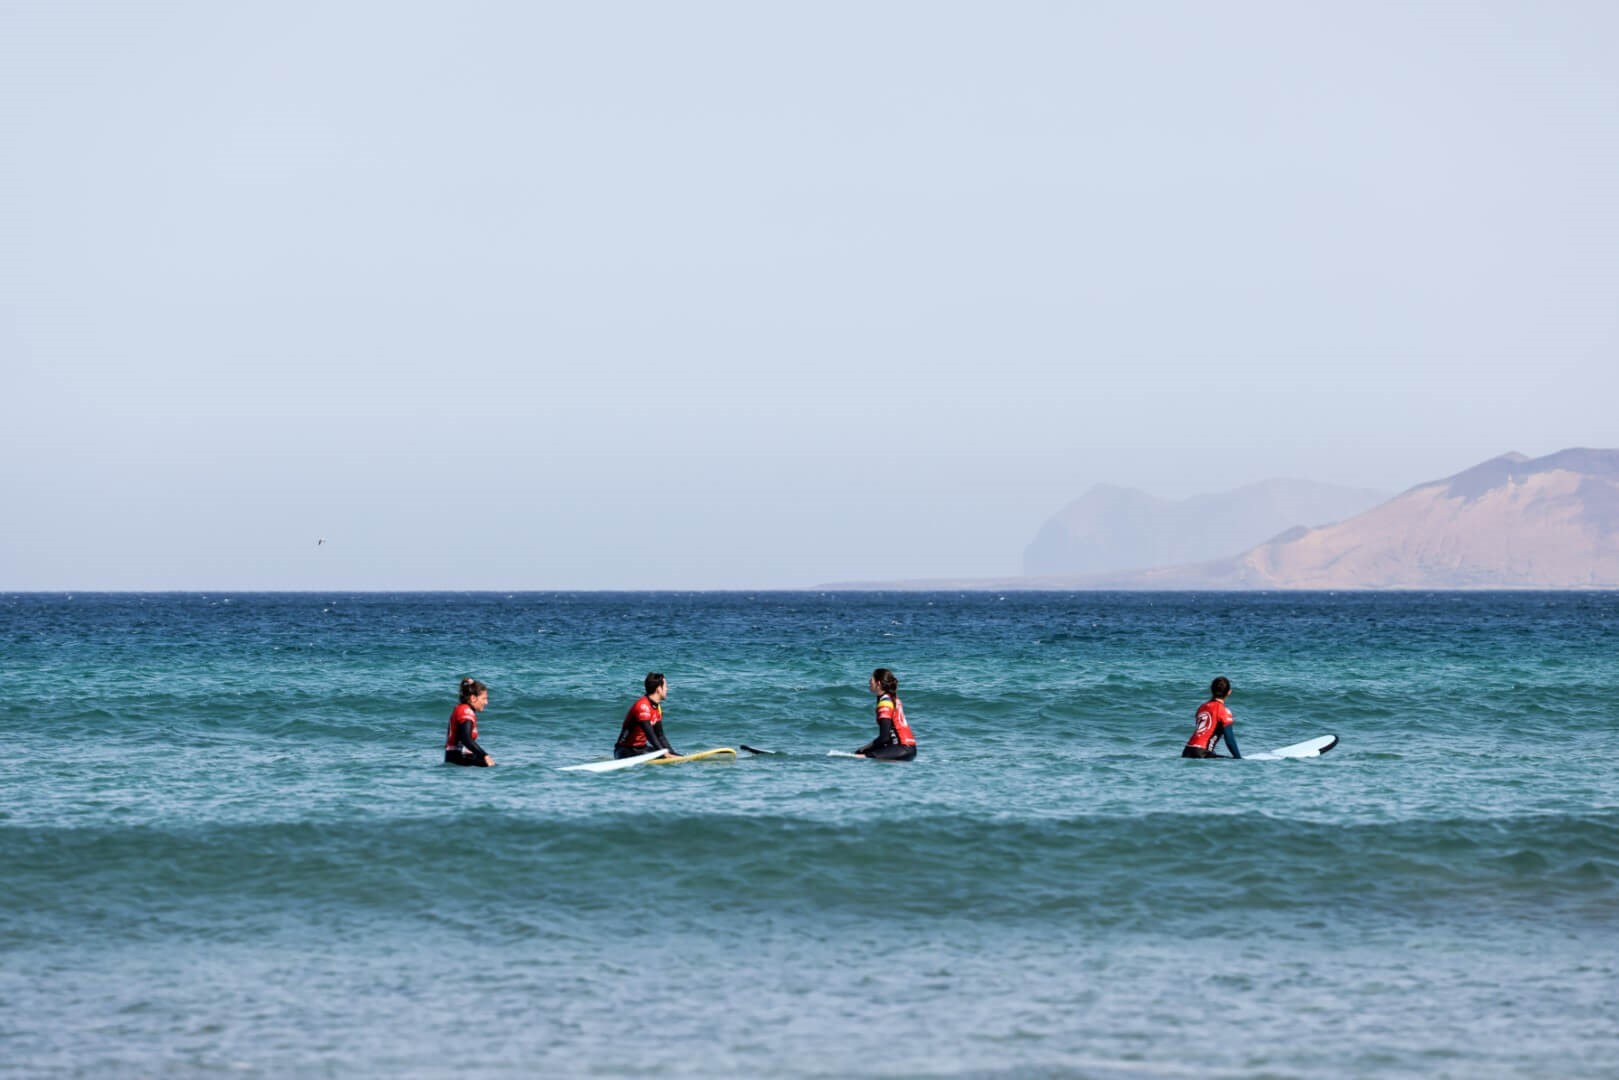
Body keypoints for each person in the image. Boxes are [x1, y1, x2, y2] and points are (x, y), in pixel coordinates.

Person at [853, 667, 918, 761]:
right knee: (862, 753)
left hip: (900, 749)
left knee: (858, 757)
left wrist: (864, 748)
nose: (869, 682)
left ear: (878, 684)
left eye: (871, 679)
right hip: (910, 749)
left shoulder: (885, 703)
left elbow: (884, 738)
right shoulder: (894, 699)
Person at [615, 672, 677, 759]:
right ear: (659, 689)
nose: (667, 689)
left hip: (641, 749)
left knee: (670, 755)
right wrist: (665, 754)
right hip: (625, 751)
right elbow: (650, 735)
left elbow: (660, 736)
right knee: (662, 755)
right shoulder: (642, 706)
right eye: (665, 686)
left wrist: (673, 754)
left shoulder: (657, 707)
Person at [1183, 676, 1240, 758]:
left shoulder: (1202, 707)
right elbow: (1230, 741)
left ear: (1211, 690)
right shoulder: (1224, 711)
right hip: (1202, 752)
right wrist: (1239, 759)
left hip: (1187, 751)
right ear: (1229, 692)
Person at [445, 677, 496, 766]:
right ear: (473, 698)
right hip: (458, 760)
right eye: (484, 698)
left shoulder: (463, 709)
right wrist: (485, 756)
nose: (486, 702)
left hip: (459, 759)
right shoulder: (465, 711)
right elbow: (466, 739)